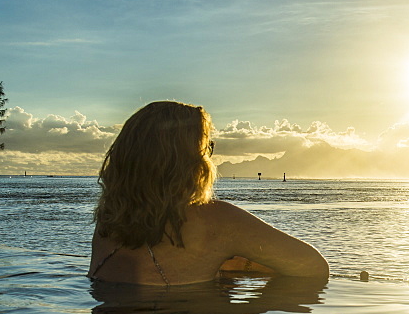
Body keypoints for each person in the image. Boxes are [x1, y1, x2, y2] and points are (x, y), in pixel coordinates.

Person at [89, 101, 329, 285]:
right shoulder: (218, 220)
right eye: (206, 147)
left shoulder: (107, 223)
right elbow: (314, 267)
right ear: (190, 161)